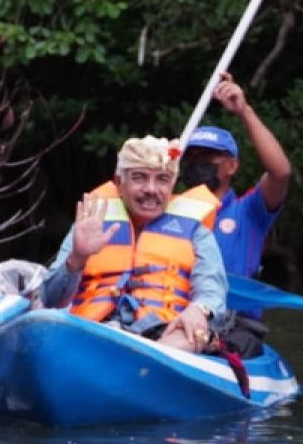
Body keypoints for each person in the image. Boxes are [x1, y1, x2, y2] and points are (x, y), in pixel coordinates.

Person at [41, 136, 227, 353]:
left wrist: (199, 310)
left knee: (191, 333)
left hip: (164, 333)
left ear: (172, 185)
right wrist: (76, 259)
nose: (151, 189)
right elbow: (50, 300)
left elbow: (212, 293)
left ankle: (147, 365)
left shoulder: (197, 231)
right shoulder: (89, 224)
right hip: (93, 329)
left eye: (162, 179)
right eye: (139, 178)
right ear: (119, 183)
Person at [178, 71, 291, 280]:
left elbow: (280, 172)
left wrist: (244, 111)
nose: (198, 163)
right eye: (192, 157)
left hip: (234, 312)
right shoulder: (172, 211)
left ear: (231, 166)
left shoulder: (248, 210)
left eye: (207, 156)